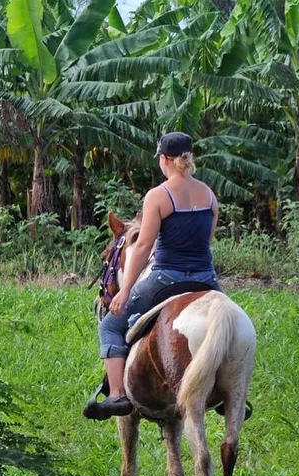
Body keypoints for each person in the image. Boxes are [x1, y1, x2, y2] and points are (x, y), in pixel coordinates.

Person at [84, 132, 222, 420]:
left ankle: (117, 395)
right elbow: (206, 240)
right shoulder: (209, 194)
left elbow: (144, 246)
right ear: (189, 158)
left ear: (164, 160)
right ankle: (226, 393)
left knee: (110, 325)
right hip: (206, 279)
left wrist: (124, 291)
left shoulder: (158, 195)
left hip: (166, 279)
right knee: (224, 325)